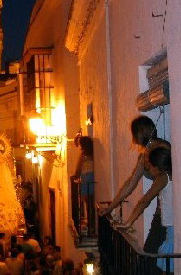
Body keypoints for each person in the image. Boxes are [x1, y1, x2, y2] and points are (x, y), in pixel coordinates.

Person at [99, 116, 170, 270]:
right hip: (163, 206)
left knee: (151, 258)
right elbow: (130, 184)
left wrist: (128, 221)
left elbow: (143, 197)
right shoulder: (149, 152)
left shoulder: (157, 150)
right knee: (153, 257)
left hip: (166, 208)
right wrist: (111, 208)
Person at [149, 147, 174, 273]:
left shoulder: (163, 177)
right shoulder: (171, 176)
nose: (149, 169)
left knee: (167, 263)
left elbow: (145, 199)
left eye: (151, 166)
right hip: (171, 226)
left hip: (171, 226)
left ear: (157, 166)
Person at [74, 136, 95, 234]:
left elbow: (78, 167)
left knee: (88, 202)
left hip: (86, 179)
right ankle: (92, 223)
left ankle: (91, 223)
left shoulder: (83, 155)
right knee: (91, 202)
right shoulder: (94, 153)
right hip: (92, 178)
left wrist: (76, 176)